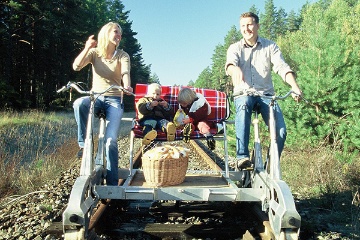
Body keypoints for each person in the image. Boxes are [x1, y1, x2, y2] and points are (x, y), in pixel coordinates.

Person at [225, 12, 303, 170]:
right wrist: (235, 70)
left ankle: (270, 165)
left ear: (257, 26)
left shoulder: (270, 46)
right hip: (244, 94)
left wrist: (294, 87)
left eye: (250, 25)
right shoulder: (235, 48)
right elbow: (230, 65)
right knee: (244, 104)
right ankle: (242, 156)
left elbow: (281, 67)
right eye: (243, 26)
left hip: (266, 95)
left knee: (280, 131)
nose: (246, 29)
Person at [72, 22, 133, 186]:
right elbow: (76, 66)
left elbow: (125, 72)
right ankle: (84, 145)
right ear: (106, 33)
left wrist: (127, 86)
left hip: (114, 100)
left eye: (120, 33)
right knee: (79, 104)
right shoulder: (94, 53)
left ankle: (113, 184)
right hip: (96, 98)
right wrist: (87, 47)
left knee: (110, 141)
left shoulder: (122, 55)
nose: (119, 36)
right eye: (116, 32)